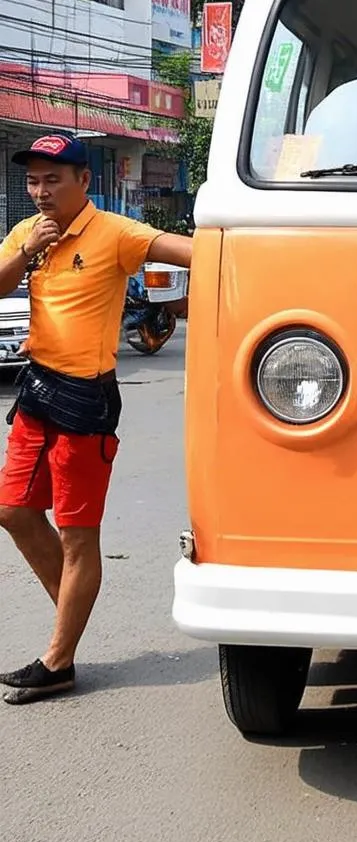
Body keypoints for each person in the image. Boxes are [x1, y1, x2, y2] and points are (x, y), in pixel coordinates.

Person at [0, 134, 193, 705]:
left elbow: (193, 251)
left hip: (86, 397)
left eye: (52, 180)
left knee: (77, 534)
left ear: (84, 181)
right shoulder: (27, 234)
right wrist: (26, 248)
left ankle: (59, 659)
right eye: (33, 181)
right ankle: (74, 610)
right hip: (36, 388)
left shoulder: (115, 233)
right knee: (12, 509)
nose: (40, 192)